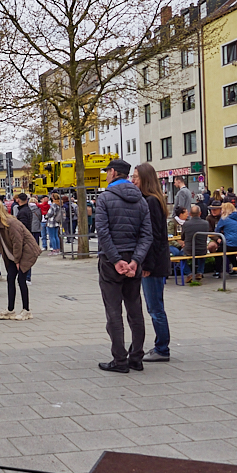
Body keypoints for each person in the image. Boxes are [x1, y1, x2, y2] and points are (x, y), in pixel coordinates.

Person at [94, 159, 152, 373]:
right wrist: (136, 260)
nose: (106, 175)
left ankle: (119, 360)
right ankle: (136, 356)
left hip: (111, 262)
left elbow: (102, 232)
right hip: (133, 261)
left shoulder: (105, 198)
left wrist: (116, 259)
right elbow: (147, 235)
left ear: (113, 172)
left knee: (113, 311)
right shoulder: (141, 200)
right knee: (135, 309)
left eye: (107, 172)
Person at [133, 164, 172, 362]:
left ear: (145, 179)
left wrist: (147, 265)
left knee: (155, 308)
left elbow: (153, 237)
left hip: (154, 265)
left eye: (136, 177)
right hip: (156, 262)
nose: (133, 181)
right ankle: (161, 346)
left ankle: (162, 348)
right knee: (155, 306)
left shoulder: (151, 202)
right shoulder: (153, 200)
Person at [0, 201, 39, 320]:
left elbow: (18, 243)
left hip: (25, 253)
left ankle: (26, 310)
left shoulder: (11, 223)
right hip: (13, 255)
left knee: (21, 280)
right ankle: (10, 310)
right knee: (10, 279)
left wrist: (17, 261)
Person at [212, 202, 237, 275]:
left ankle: (218, 271)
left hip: (231, 244)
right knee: (230, 253)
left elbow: (217, 230)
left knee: (218, 252)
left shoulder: (224, 218)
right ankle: (236, 269)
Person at [182, 205, 211, 281]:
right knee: (202, 255)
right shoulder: (206, 223)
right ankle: (200, 272)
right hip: (202, 249)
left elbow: (182, 237)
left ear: (190, 213)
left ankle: (189, 274)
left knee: (179, 255)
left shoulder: (186, 224)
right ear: (200, 213)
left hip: (189, 250)